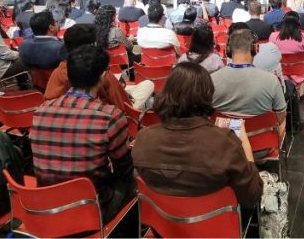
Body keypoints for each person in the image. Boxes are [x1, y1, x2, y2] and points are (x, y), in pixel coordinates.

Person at [132, 62, 263, 208]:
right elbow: (252, 196)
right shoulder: (225, 142)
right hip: (216, 219)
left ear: (166, 92)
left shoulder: (143, 139)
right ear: (208, 95)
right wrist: (245, 144)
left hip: (160, 219)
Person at [31, 45, 135, 222]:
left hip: (47, 203)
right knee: (136, 181)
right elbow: (124, 169)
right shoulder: (109, 116)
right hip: (93, 207)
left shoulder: (41, 110)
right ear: (103, 76)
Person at [44, 24, 153, 110]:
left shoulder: (57, 72)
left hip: (66, 118)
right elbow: (122, 105)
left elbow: (48, 98)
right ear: (91, 46)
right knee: (148, 84)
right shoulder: (100, 74)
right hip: (107, 115)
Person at [211, 29, 287, 126]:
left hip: (225, 134)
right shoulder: (272, 80)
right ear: (255, 49)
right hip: (263, 134)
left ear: (228, 50)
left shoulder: (211, 80)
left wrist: (237, 127)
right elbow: (280, 116)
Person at [270, 11, 304, 96]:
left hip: (279, 72)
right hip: (300, 73)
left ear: (283, 22)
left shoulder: (273, 36)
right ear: (298, 23)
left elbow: (271, 57)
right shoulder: (303, 37)